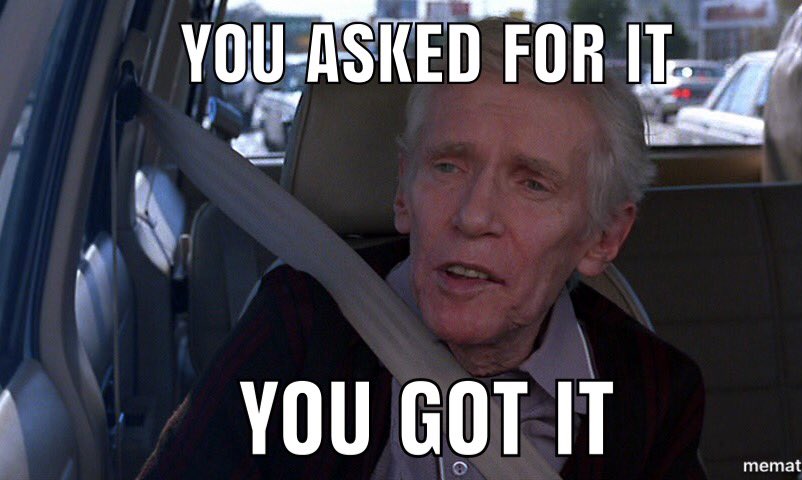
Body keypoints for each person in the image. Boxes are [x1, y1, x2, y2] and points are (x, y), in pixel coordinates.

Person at [138, 18, 705, 479]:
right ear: (403, 191)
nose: (473, 216)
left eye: (533, 184)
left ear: (604, 236)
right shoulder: (299, 327)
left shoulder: (652, 393)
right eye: (448, 166)